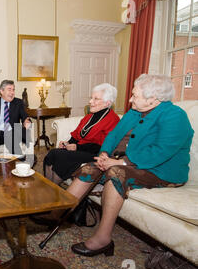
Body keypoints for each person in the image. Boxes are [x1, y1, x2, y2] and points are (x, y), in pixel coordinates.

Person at [66, 74, 194, 257]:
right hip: (132, 163)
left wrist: (119, 162)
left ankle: (103, 238)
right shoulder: (134, 112)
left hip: (161, 171)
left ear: (153, 99)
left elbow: (160, 151)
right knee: (90, 167)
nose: (130, 99)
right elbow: (113, 134)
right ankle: (59, 211)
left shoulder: (175, 116)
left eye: (135, 95)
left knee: (116, 172)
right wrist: (104, 154)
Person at [31, 83, 120, 227]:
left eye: (95, 99)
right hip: (80, 150)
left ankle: (54, 204)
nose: (90, 102)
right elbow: (77, 134)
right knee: (53, 153)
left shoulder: (113, 119)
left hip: (94, 153)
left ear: (107, 103)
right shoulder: (89, 116)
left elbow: (102, 145)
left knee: (62, 157)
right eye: (91, 98)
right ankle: (51, 196)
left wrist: (76, 147)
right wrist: (67, 143)